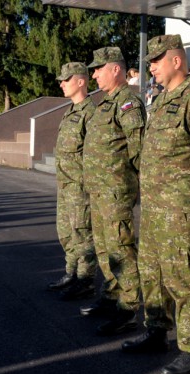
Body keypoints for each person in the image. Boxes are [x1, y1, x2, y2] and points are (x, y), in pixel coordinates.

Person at [121, 35, 190, 374]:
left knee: (184, 275)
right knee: (151, 271)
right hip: (154, 206)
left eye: (156, 60)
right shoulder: (162, 100)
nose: (150, 67)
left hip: (177, 207)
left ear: (176, 61)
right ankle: (155, 331)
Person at [79, 47, 146, 336]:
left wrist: (135, 185)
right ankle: (111, 297)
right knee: (105, 250)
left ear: (115, 69)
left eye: (98, 68)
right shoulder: (105, 104)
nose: (93, 74)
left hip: (116, 192)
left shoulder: (128, 102)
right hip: (99, 192)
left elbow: (139, 148)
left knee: (121, 249)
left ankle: (129, 308)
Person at [47, 62, 97, 301]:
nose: (61, 84)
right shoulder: (71, 111)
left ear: (81, 81)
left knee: (83, 234)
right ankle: (71, 273)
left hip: (80, 186)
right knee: (66, 232)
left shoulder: (90, 113)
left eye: (66, 80)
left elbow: (94, 152)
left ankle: (85, 279)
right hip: (65, 184)